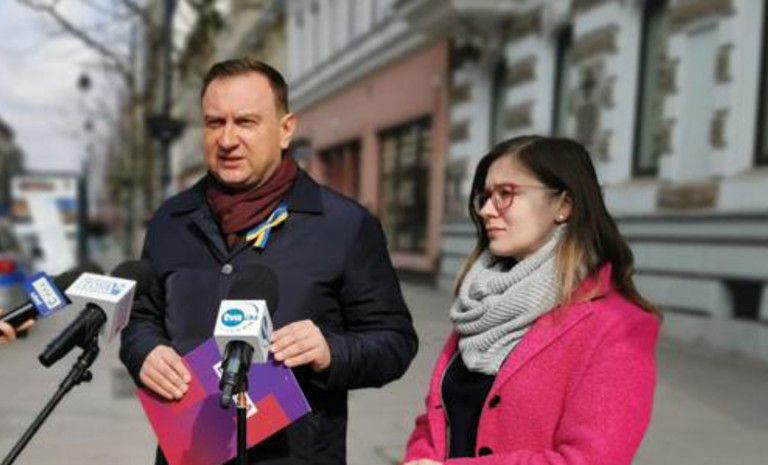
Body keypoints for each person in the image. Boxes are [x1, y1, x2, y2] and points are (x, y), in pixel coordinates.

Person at [119, 58, 418, 465]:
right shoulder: (170, 220)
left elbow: (395, 342)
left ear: (286, 129)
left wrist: (330, 350)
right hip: (190, 453)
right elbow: (141, 317)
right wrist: (144, 352)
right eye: (214, 123)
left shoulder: (345, 224)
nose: (227, 139)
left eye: (246, 122)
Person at [402, 136, 660, 465]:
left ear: (564, 205)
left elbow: (592, 459)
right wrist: (418, 458)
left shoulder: (617, 326)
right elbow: (435, 420)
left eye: (506, 194)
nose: (486, 210)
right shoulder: (483, 303)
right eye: (485, 197)